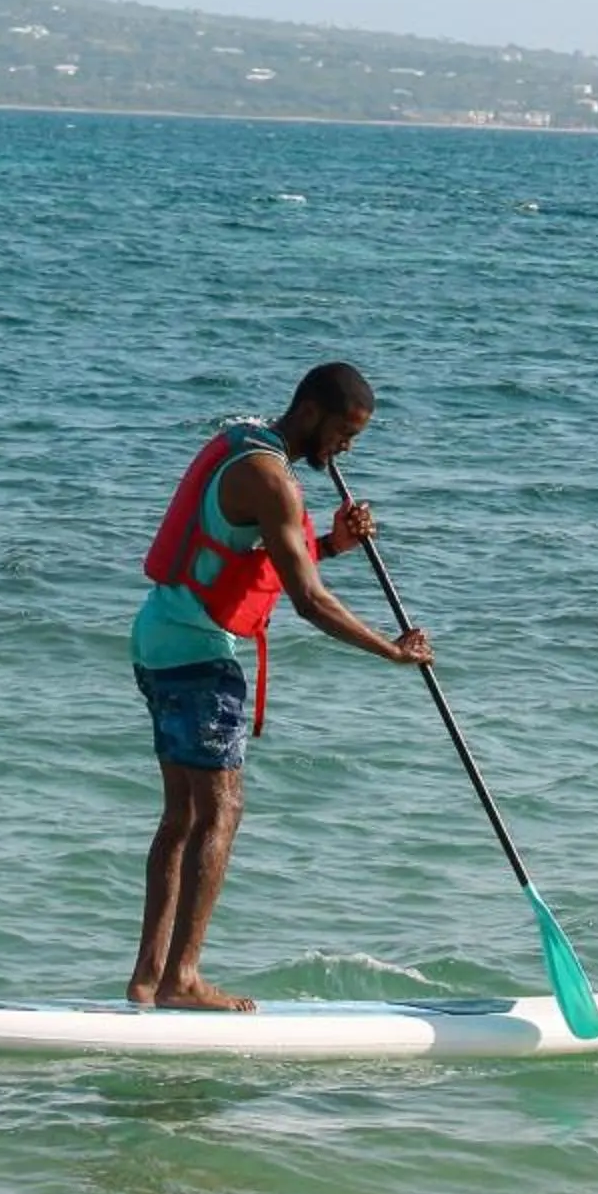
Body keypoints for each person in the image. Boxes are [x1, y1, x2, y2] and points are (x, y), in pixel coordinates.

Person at [127, 361, 432, 1012]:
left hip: (158, 636)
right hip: (199, 656)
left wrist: (331, 543)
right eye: (345, 433)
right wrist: (392, 652)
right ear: (314, 412)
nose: (346, 449)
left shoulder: (246, 442)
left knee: (182, 815)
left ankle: (149, 979)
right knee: (221, 810)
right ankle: (181, 980)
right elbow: (309, 602)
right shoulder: (274, 480)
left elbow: (243, 556)